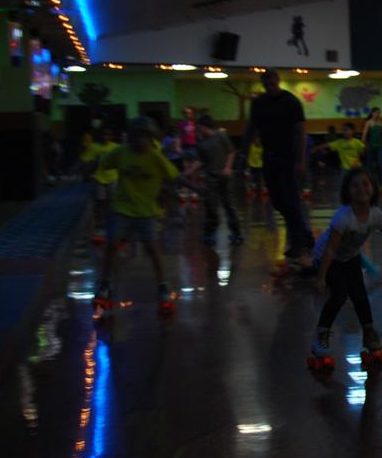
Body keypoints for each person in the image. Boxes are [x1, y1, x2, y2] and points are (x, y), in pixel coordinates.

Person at [311, 168, 382, 364]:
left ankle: (369, 333)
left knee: (360, 294)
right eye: (355, 186)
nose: (361, 189)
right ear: (347, 191)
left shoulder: (375, 215)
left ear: (373, 188)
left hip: (350, 256)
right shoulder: (343, 217)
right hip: (327, 256)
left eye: (365, 184)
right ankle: (321, 335)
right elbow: (329, 250)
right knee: (339, 294)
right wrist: (321, 276)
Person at [94, 117, 202, 308]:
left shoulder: (155, 158)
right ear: (131, 138)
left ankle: (162, 287)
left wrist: (196, 187)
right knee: (113, 244)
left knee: (153, 249)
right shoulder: (121, 153)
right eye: (137, 137)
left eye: (146, 137)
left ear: (151, 138)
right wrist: (82, 168)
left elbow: (175, 177)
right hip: (122, 207)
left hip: (146, 212)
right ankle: (105, 285)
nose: (142, 141)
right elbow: (101, 162)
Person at [244, 69, 313, 261]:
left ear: (278, 81)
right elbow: (250, 128)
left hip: (288, 153)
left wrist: (300, 160)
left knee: (289, 198)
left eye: (273, 84)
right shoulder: (258, 103)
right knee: (276, 200)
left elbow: (301, 133)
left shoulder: (291, 101)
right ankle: (305, 235)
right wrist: (243, 152)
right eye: (266, 86)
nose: (270, 88)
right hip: (269, 153)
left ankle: (299, 241)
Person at [190, 114, 242, 244]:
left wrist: (228, 168)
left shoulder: (220, 135)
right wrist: (189, 171)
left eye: (199, 127)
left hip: (225, 176)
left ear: (205, 126)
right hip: (211, 177)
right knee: (211, 207)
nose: (197, 129)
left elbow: (231, 151)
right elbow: (200, 161)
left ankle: (237, 234)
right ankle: (209, 235)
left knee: (229, 205)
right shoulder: (201, 143)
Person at [78, 126, 119, 237]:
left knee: (111, 202)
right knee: (100, 202)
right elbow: (84, 159)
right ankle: (100, 224)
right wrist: (75, 167)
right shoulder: (94, 147)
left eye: (108, 134)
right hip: (99, 178)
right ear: (99, 135)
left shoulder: (115, 147)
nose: (105, 137)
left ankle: (111, 223)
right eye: (103, 134)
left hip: (112, 178)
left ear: (111, 136)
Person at [361, 108, 382, 184]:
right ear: (372, 113)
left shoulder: (381, 123)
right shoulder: (368, 122)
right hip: (371, 146)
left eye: (379, 113)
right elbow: (364, 134)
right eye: (377, 113)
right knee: (369, 165)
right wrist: (363, 142)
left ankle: (381, 181)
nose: (378, 114)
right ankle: (368, 180)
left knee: (380, 164)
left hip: (380, 146)